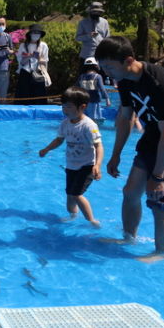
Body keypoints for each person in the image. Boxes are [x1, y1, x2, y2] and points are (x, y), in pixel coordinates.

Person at [95, 36, 164, 262]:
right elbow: (125, 118)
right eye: (103, 67)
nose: (106, 72)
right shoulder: (124, 80)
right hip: (153, 137)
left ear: (129, 60)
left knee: (160, 203)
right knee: (130, 192)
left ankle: (161, 253)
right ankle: (128, 237)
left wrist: (159, 175)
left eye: (109, 67)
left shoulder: (159, 83)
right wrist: (115, 155)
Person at [39, 87, 103, 227]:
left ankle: (91, 220)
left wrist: (97, 165)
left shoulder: (89, 125)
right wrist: (47, 149)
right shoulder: (65, 124)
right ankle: (73, 216)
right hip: (71, 165)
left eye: (69, 106)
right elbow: (59, 140)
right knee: (69, 194)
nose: (65, 109)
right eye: (63, 106)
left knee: (76, 194)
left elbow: (99, 146)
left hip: (87, 166)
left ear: (83, 107)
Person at [15, 24, 50, 105]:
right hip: (25, 73)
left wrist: (39, 58)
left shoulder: (43, 45)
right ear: (30, 34)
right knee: (24, 98)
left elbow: (45, 61)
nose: (36, 34)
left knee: (39, 99)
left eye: (38, 33)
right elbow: (21, 62)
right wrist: (29, 56)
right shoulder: (23, 45)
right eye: (34, 32)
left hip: (38, 73)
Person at [77, 57, 111, 123]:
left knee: (84, 120)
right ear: (96, 66)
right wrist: (107, 98)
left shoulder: (82, 76)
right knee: (94, 121)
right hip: (94, 103)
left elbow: (76, 88)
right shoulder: (97, 76)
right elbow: (102, 89)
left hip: (83, 102)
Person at [76, 2, 110, 66]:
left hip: (101, 55)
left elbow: (108, 38)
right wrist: (88, 36)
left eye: (98, 12)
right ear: (89, 12)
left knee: (101, 75)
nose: (96, 14)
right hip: (86, 55)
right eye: (94, 12)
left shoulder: (105, 22)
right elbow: (77, 38)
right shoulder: (83, 23)